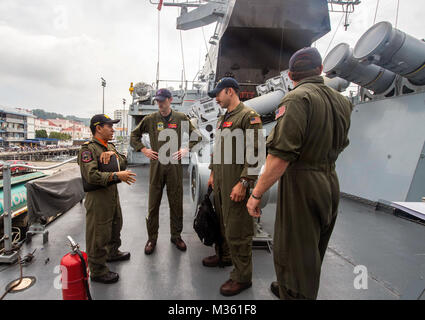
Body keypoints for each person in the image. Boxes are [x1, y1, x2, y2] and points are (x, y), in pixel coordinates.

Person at [246, 47, 353, 299]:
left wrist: (256, 194)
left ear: (291, 76)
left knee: (292, 251)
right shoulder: (343, 101)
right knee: (313, 248)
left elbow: (280, 157)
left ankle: (293, 292)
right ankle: (290, 287)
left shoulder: (296, 99)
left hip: (302, 183)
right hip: (330, 181)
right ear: (320, 70)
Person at [206, 77, 263, 296]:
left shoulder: (248, 117)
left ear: (229, 91)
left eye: (218, 95)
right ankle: (224, 256)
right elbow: (217, 148)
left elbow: (256, 154)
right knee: (222, 223)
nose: (216, 99)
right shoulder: (224, 118)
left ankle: (242, 277)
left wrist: (244, 182)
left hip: (236, 182)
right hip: (220, 181)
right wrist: (212, 172)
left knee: (238, 230)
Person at [130, 88, 202, 255]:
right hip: (156, 165)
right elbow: (135, 135)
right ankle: (152, 238)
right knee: (153, 204)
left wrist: (186, 149)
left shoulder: (180, 118)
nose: (159, 103)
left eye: (162, 100)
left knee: (176, 202)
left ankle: (176, 236)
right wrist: (143, 150)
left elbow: (196, 136)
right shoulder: (150, 119)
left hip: (174, 166)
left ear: (170, 100)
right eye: (157, 100)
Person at [78, 114, 137, 284]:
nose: (113, 129)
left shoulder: (109, 146)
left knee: (115, 224)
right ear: (98, 128)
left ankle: (112, 253)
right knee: (98, 232)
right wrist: (116, 175)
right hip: (97, 198)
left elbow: (125, 162)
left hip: (111, 195)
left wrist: (114, 156)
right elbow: (91, 176)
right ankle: (97, 270)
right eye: (109, 126)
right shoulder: (88, 149)